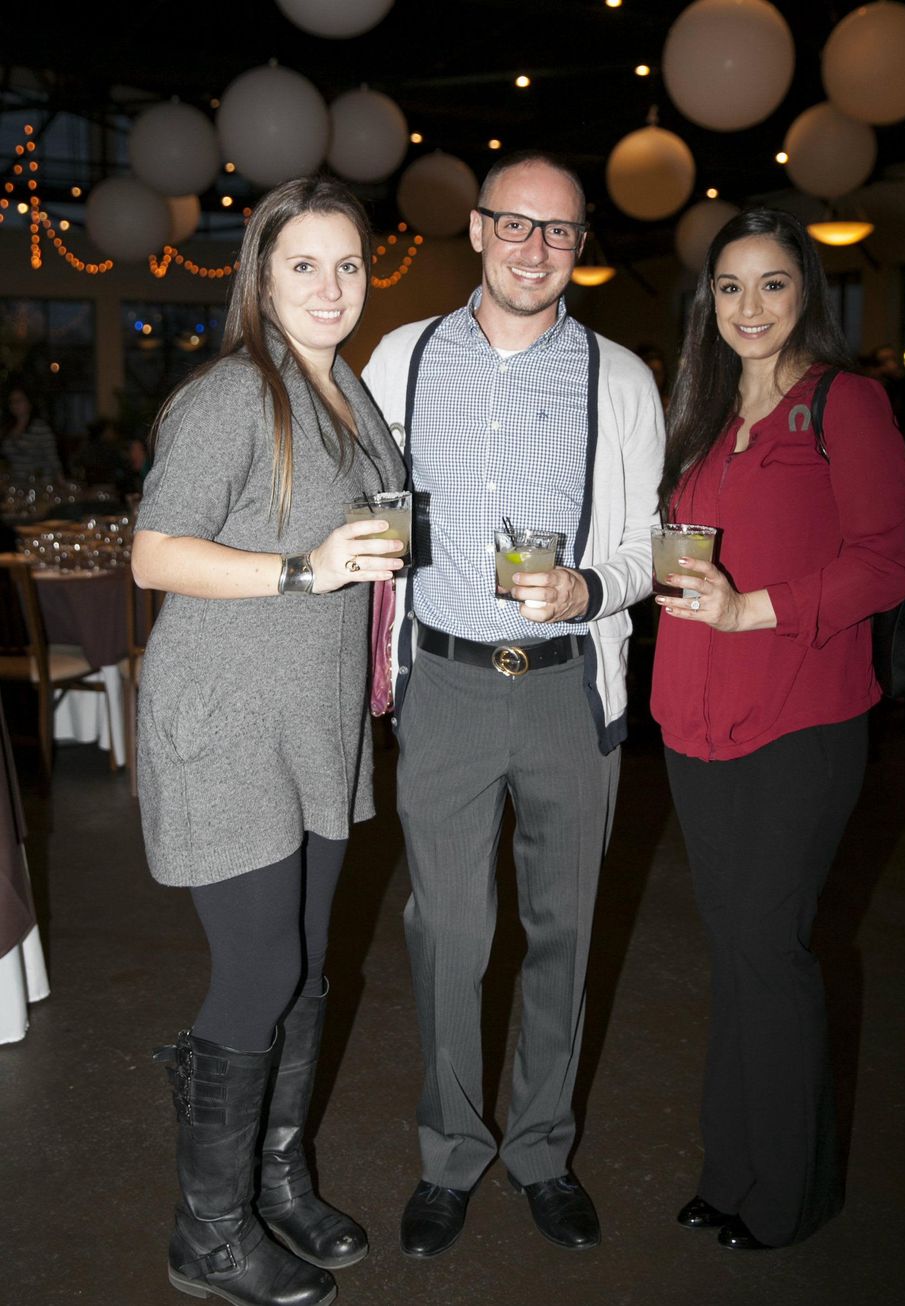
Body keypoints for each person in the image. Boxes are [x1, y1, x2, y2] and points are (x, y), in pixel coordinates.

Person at [363, 151, 664, 1258]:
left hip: (561, 688)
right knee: (446, 929)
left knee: (565, 929)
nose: (535, 249)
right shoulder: (401, 357)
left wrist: (592, 585)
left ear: (579, 250)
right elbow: (367, 502)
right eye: (516, 226)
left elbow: (638, 544)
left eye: (560, 233)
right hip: (442, 679)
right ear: (479, 231)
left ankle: (540, 1147)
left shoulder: (619, 379)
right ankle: (450, 1151)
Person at [131, 175, 405, 1306]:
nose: (331, 286)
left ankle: (276, 1180)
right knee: (259, 970)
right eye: (305, 264)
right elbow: (153, 554)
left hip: (317, 723)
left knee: (302, 970)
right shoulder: (234, 397)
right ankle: (208, 1228)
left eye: (347, 264)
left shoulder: (345, 392)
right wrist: (304, 567)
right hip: (229, 718)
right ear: (261, 275)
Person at [650, 208, 905, 1251]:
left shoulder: (843, 405)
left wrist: (746, 607)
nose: (747, 307)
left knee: (770, 947)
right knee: (736, 952)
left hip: (798, 716)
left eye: (769, 284)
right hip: (693, 718)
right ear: (704, 302)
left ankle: (789, 1189)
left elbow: (883, 563)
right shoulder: (705, 414)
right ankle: (731, 1169)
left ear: (804, 290)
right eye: (727, 287)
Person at [0, 383, 63, 482]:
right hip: (16, 483)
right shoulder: (8, 428)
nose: (15, 404)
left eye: (19, 400)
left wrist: (61, 482)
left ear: (29, 403)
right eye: (12, 401)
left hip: (39, 483)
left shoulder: (40, 428)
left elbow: (52, 458)